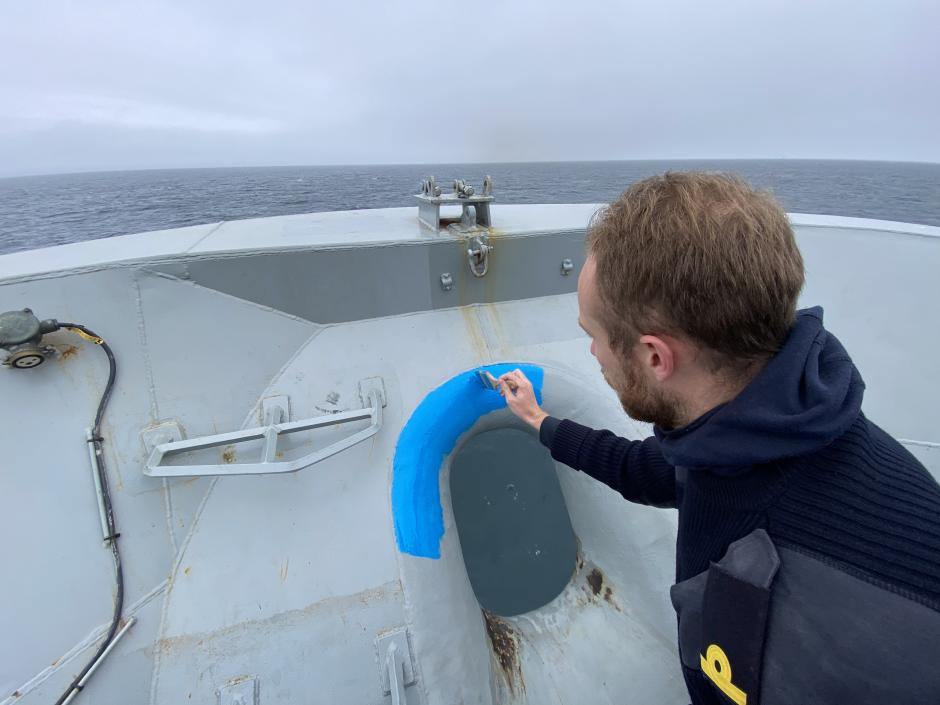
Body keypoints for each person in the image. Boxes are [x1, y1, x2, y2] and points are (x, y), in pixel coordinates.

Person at [497, 172, 940, 705]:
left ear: (656, 357)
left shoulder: (786, 602)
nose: (592, 353)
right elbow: (649, 468)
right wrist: (540, 420)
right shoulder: (766, 423)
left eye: (594, 335)